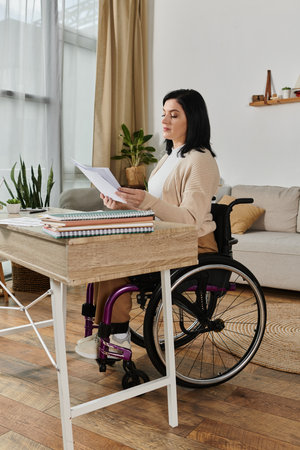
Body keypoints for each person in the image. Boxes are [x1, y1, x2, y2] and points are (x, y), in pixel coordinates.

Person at [75, 88, 220, 359]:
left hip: (192, 245)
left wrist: (147, 202)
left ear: (194, 119)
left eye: (174, 115)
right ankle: (110, 332)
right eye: (164, 114)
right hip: (164, 237)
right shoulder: (169, 157)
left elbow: (190, 219)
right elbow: (158, 208)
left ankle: (118, 336)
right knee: (103, 254)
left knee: (115, 260)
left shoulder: (200, 160)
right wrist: (124, 203)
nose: (165, 120)